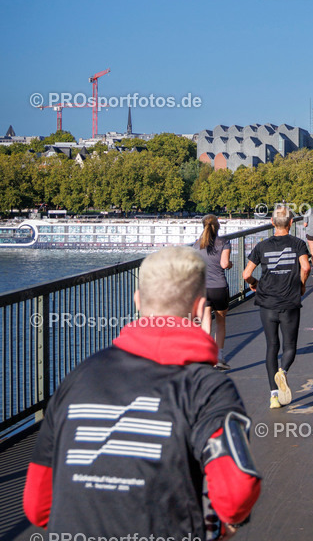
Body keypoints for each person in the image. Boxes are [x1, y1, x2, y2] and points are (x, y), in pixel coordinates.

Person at [23, 247, 261, 540]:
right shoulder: (209, 389)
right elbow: (236, 492)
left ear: (137, 301)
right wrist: (222, 526)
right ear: (200, 309)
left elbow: (37, 506)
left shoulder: (79, 378)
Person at [242, 204, 310, 409]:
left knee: (272, 346)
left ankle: (273, 396)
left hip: (267, 302)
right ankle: (283, 372)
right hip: (289, 301)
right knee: (289, 346)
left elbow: (246, 274)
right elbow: (306, 266)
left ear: (272, 223)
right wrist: (301, 286)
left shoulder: (262, 246)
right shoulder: (298, 244)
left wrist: (254, 283)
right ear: (291, 223)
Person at [193, 213, 232, 367]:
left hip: (203, 288)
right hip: (219, 288)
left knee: (206, 322)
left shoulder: (196, 245)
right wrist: (229, 265)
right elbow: (224, 264)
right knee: (221, 323)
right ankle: (219, 357)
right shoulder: (224, 242)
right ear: (218, 226)